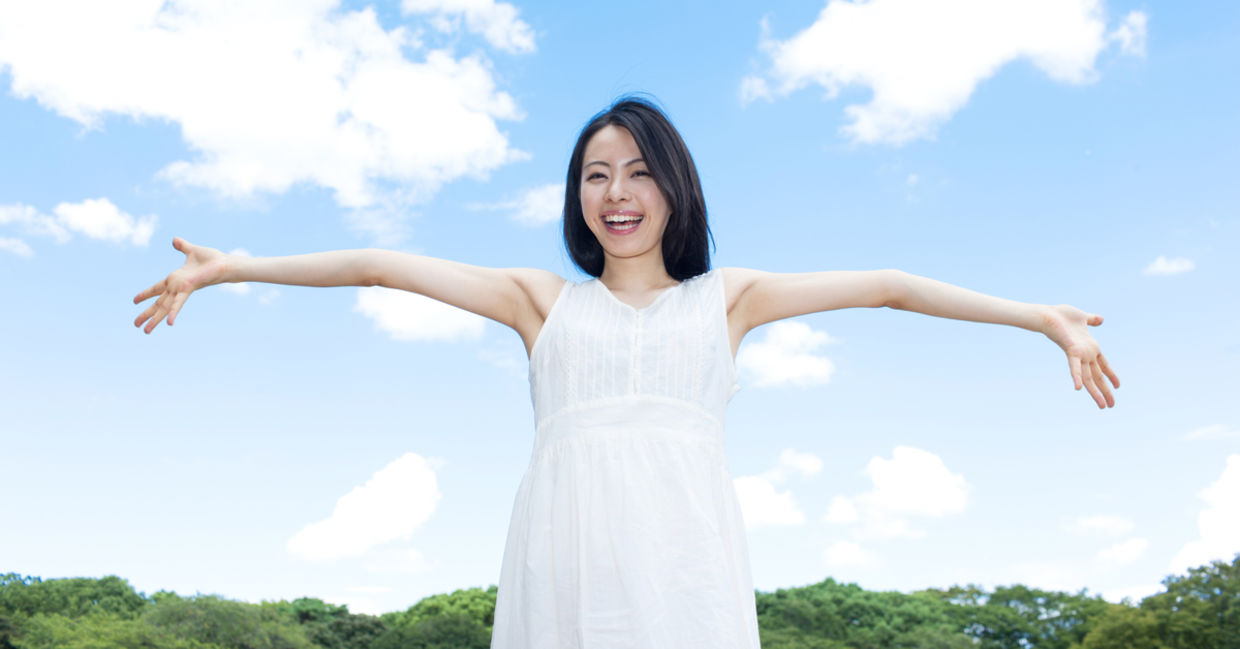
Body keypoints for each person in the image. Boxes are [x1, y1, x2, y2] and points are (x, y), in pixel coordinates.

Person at [134, 97, 1119, 648]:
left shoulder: (728, 300)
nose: (618, 192)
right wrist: (235, 267)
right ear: (577, 196)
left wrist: (1038, 317)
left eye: (640, 171)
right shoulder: (539, 301)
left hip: (686, 569)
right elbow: (377, 266)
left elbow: (889, 287)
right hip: (564, 567)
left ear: (674, 187)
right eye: (597, 174)